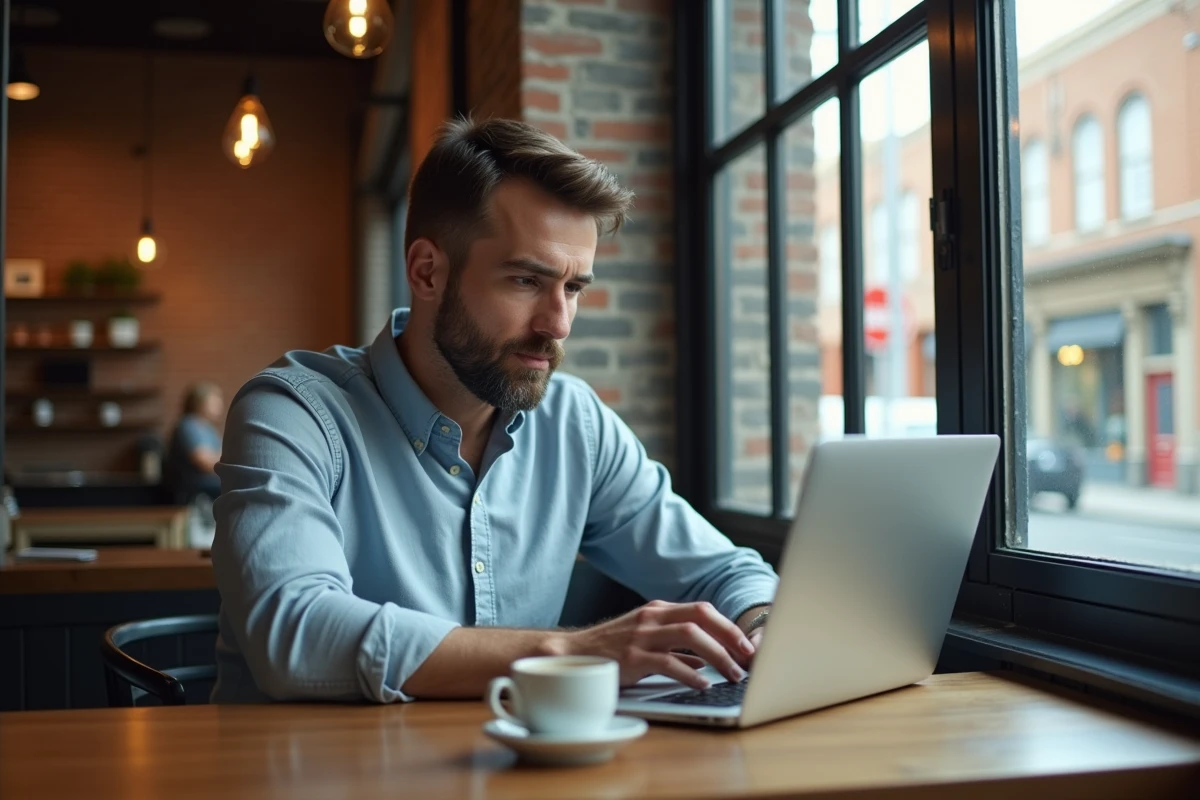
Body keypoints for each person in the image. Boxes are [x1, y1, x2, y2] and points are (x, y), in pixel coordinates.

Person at [210, 118, 778, 704]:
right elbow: (296, 634)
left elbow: (726, 573)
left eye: (574, 288)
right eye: (526, 280)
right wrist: (574, 652)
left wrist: (761, 627)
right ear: (427, 271)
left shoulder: (574, 423)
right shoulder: (293, 411)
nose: (557, 324)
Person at [164, 381, 224, 504]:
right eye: (214, 400)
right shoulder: (188, 425)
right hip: (193, 489)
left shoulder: (208, 428)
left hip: (207, 485)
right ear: (199, 402)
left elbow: (221, 456)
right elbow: (204, 463)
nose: (220, 404)